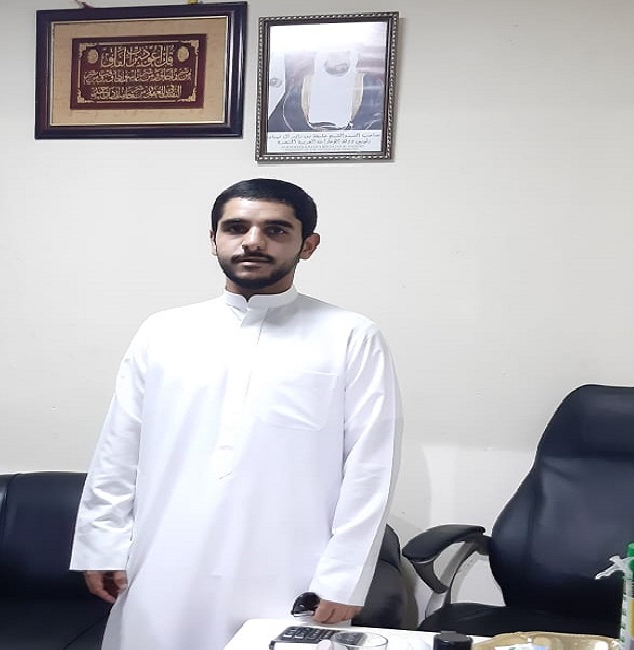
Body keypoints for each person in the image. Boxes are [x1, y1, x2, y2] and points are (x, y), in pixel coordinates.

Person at [70, 178, 402, 650]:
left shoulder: (350, 335)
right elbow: (119, 447)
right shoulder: (163, 331)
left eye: (276, 230)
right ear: (213, 239)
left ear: (308, 245)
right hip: (165, 561)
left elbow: (371, 466)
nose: (253, 241)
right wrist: (102, 543)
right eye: (236, 227)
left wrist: (344, 578)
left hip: (291, 571)